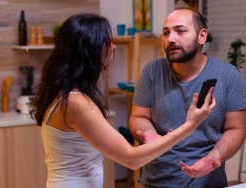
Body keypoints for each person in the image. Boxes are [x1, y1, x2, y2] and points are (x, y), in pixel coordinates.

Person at [31, 13, 216, 188]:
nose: (113, 47)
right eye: (107, 42)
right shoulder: (75, 102)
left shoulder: (65, 94)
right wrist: (190, 125)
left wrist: (153, 138)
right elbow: (132, 159)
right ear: (90, 49)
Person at [129, 8, 246, 188]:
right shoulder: (152, 71)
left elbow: (236, 129)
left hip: (208, 182)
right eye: (166, 32)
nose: (171, 39)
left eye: (180, 31)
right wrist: (152, 137)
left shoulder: (228, 76)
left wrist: (214, 157)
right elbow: (138, 118)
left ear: (202, 36)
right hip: (155, 182)